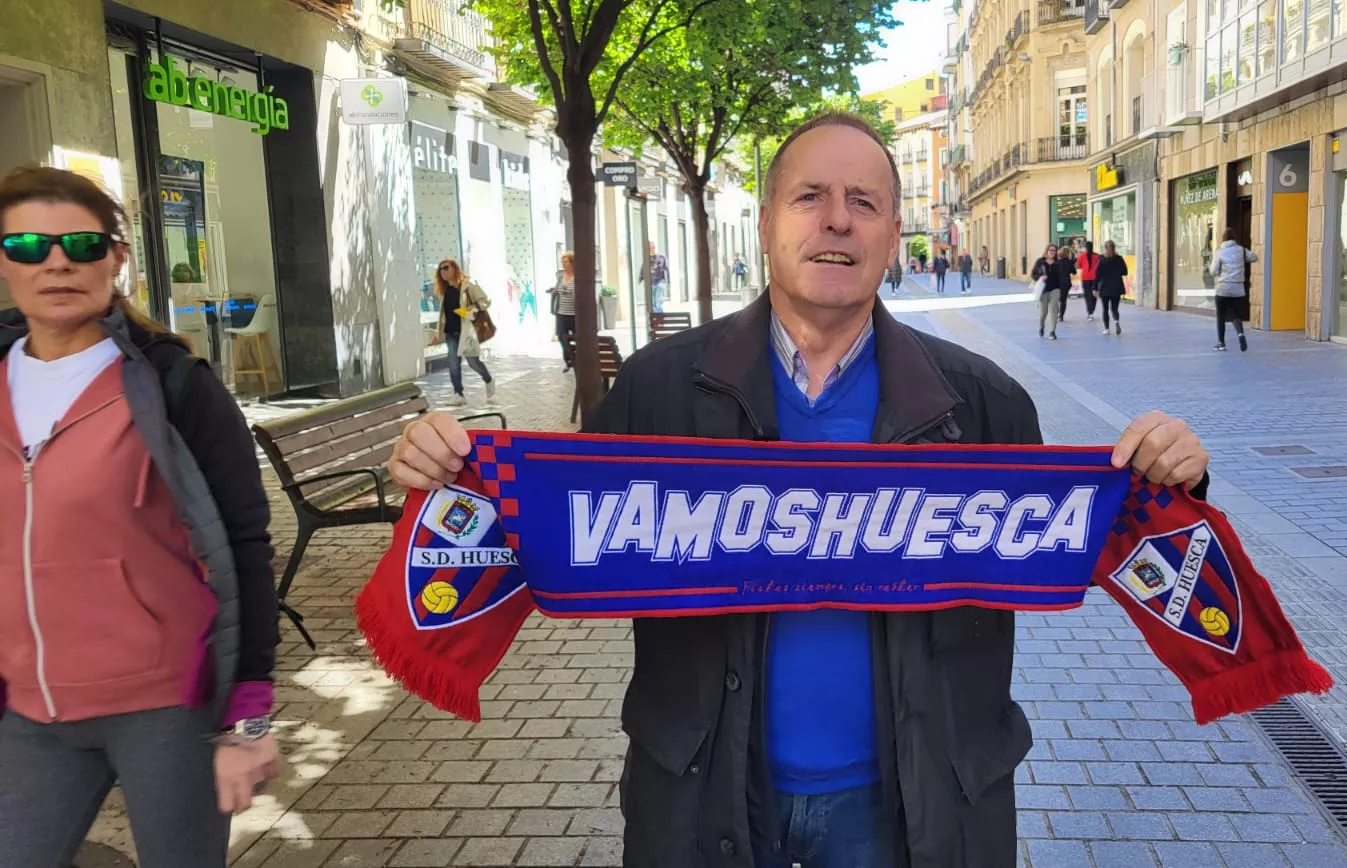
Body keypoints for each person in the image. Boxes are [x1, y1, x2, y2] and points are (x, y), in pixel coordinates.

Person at [384, 112, 1210, 868]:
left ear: (893, 235)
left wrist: (1173, 476)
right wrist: (449, 477)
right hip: (702, 789)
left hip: (913, 807)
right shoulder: (656, 391)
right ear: (770, 225)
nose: (837, 218)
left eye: (864, 201)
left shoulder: (984, 401)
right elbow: (551, 527)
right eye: (810, 196)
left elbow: (1089, 536)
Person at [0, 165, 279, 865]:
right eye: (30, 246)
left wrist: (247, 717)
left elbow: (245, 546)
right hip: (27, 709)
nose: (57, 262)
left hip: (165, 709)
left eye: (83, 246)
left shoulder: (175, 386)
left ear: (116, 258)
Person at [435, 259, 495, 404]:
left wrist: (470, 310)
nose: (443, 271)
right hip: (451, 332)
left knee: (473, 362)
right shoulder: (443, 291)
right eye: (440, 269)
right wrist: (438, 334)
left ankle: (488, 379)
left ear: (455, 269)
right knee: (453, 364)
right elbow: (444, 315)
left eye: (446, 268)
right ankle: (458, 394)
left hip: (466, 332)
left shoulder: (467, 287)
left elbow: (484, 302)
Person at [1211, 228, 1258, 351]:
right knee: (1236, 315)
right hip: (1238, 288)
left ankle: (1221, 343)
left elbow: (1213, 271)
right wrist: (1242, 260)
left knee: (1221, 316)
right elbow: (1254, 257)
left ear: (1223, 238)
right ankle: (1241, 335)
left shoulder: (1219, 252)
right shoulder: (1242, 250)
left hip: (1223, 288)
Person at [547, 251, 578, 371]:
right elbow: (557, 288)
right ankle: (569, 360)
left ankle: (575, 357)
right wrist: (554, 291)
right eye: (563, 262)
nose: (564, 265)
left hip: (574, 314)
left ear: (572, 263)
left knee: (576, 338)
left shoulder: (577, 276)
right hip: (561, 313)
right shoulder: (560, 276)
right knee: (561, 337)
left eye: (566, 262)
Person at [1031, 243, 1068, 340]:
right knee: (1043, 312)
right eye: (1050, 250)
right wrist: (1040, 277)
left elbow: (1062, 276)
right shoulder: (1040, 262)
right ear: (1047, 250)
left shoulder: (1058, 263)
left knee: (1053, 310)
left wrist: (1062, 287)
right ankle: (1041, 325)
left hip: (1055, 289)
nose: (1052, 252)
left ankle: (1052, 331)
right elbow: (1033, 274)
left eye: (1054, 251)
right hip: (1043, 290)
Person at [1096, 241, 1130, 336]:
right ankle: (1116, 321)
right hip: (1116, 287)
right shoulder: (1119, 259)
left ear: (1105, 248)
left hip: (1104, 287)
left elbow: (1097, 275)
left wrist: (1095, 288)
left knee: (1105, 308)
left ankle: (1106, 329)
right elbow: (1125, 272)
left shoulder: (1102, 260)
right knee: (1114, 308)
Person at [641, 242, 668, 313]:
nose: (651, 249)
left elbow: (666, 269)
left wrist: (668, 282)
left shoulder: (661, 257)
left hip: (660, 281)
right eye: (649, 248)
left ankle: (659, 318)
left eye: (653, 248)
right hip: (651, 282)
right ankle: (656, 319)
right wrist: (641, 278)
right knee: (652, 302)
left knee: (658, 301)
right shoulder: (646, 259)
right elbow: (643, 269)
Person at [1077, 238, 1100, 320]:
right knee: (1094, 295)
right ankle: (1092, 311)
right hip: (1095, 278)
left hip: (1085, 278)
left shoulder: (1082, 255)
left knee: (1087, 296)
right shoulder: (1097, 256)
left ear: (1085, 247)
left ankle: (1090, 312)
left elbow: (1078, 266)